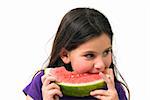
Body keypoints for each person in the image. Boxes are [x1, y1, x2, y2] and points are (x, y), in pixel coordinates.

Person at [23, 7, 130, 100]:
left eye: (106, 52)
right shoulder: (43, 84)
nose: (101, 65)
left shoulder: (114, 90)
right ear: (65, 55)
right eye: (89, 55)